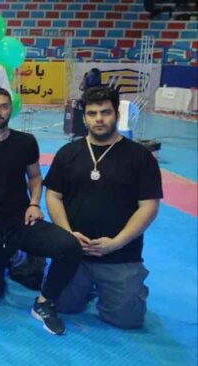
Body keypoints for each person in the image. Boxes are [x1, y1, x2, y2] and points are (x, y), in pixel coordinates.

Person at [0, 87, 82, 335]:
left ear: (11, 109)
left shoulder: (25, 142)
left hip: (20, 221)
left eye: (3, 106)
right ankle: (15, 258)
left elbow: (35, 177)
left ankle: (44, 302)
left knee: (70, 247)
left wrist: (34, 204)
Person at [45, 86, 162, 329]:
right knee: (62, 306)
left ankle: (125, 289)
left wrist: (117, 242)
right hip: (74, 253)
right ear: (84, 118)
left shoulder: (140, 157)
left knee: (127, 320)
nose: (99, 119)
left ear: (117, 114)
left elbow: (149, 206)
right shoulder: (68, 153)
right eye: (92, 113)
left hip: (121, 256)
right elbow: (54, 196)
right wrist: (68, 235)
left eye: (106, 112)